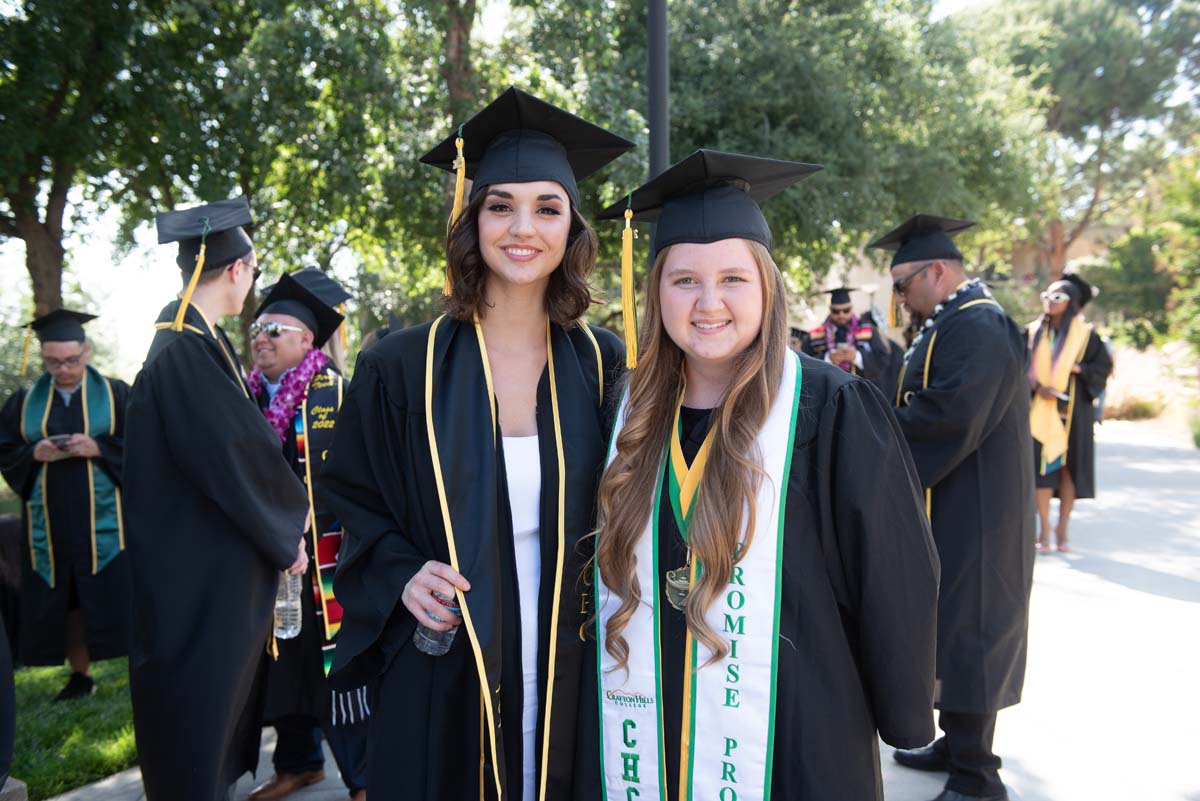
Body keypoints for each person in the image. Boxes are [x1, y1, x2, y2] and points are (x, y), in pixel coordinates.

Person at [591, 150, 940, 800]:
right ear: (656, 291)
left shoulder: (831, 406)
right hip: (645, 727)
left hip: (794, 731)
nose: (709, 302)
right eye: (684, 280)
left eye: (733, 278)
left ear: (767, 287)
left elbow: (892, 571)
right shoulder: (625, 412)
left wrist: (903, 708)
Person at [318, 88, 633, 800]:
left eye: (547, 208)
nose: (523, 228)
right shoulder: (401, 366)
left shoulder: (602, 361)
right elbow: (353, 500)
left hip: (575, 661)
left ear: (572, 228)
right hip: (446, 664)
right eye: (501, 206)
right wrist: (402, 572)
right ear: (473, 220)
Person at [124, 197, 311, 801]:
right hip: (194, 578)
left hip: (199, 567)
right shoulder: (184, 346)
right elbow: (235, 454)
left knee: (207, 724)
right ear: (236, 269)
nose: (251, 281)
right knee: (195, 731)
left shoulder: (195, 340)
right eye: (253, 270)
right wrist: (289, 529)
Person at [878, 214, 1035, 801]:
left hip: (981, 510)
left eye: (903, 285)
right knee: (951, 624)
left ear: (938, 271)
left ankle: (977, 775)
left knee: (974, 630)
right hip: (954, 498)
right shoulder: (953, 320)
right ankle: (955, 743)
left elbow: (948, 416)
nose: (900, 298)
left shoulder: (979, 325)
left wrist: (873, 436)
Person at [245, 272, 368, 801]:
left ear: (307, 340)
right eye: (257, 329)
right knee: (281, 663)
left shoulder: (337, 393)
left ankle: (364, 778)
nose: (261, 338)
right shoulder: (243, 396)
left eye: (275, 330)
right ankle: (298, 764)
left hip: (329, 558)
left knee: (334, 667)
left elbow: (361, 478)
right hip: (269, 559)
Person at [0, 309, 131, 701]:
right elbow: (5, 451)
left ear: (86, 352)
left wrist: (100, 448)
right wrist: (33, 453)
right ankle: (81, 675)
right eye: (54, 362)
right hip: (51, 523)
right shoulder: (25, 402)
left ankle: (139, 670)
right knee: (69, 599)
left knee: (122, 592)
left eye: (71, 360)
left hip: (110, 524)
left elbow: (146, 445)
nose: (64, 370)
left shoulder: (115, 394)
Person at [1027, 272, 1112, 553]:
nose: (1050, 301)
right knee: (1042, 471)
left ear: (1071, 301)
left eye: (1057, 297)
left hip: (1074, 414)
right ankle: (1044, 528)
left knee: (1068, 471)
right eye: (1047, 296)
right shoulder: (1033, 333)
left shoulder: (1086, 336)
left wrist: (1077, 368)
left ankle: (1062, 528)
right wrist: (1038, 387)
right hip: (1040, 411)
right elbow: (1020, 368)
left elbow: (1102, 368)